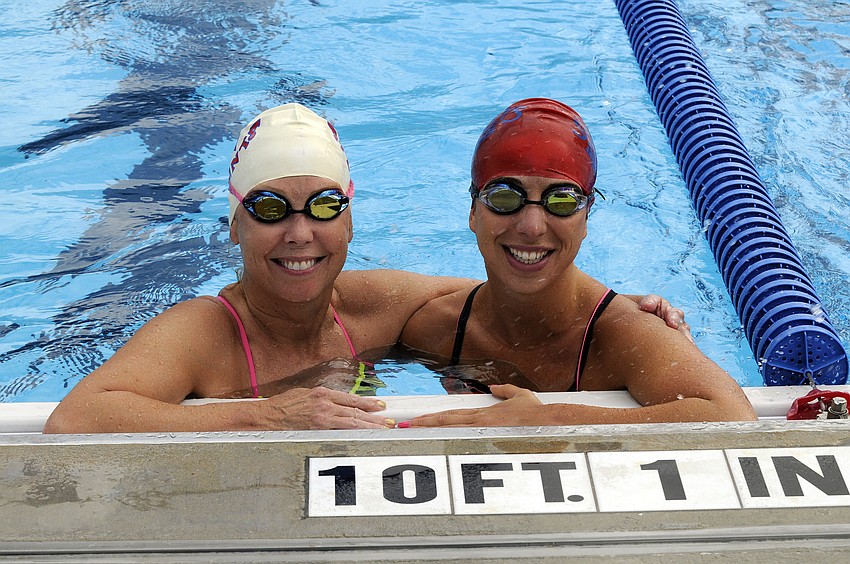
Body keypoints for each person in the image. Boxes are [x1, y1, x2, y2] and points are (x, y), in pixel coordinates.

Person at [43, 103, 692, 434]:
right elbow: (78, 417)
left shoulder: (374, 309)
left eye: (324, 206)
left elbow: (507, 288)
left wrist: (609, 306)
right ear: (236, 224)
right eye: (271, 208)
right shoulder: (205, 331)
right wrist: (266, 417)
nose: (300, 234)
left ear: (350, 221)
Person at [399, 98, 756, 426]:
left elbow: (734, 417)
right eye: (505, 197)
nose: (531, 227)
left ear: (586, 217)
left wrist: (549, 420)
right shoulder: (436, 328)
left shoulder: (622, 335)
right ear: (474, 211)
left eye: (562, 201)